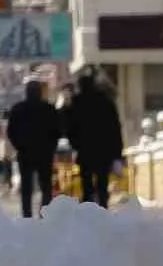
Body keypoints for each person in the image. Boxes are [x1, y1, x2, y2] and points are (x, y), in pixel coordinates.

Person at [65, 71, 125, 208]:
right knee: (102, 182)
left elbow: (69, 127)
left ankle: (88, 208)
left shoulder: (76, 103)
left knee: (86, 183)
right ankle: (102, 207)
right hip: (104, 150)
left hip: (85, 150)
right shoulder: (106, 101)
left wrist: (75, 144)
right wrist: (117, 151)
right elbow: (115, 128)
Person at [7, 80, 63, 218]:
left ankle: (27, 216)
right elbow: (58, 130)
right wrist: (51, 146)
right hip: (45, 153)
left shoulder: (18, 109)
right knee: (46, 186)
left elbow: (11, 131)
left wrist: (19, 146)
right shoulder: (49, 109)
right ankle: (44, 215)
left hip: (25, 153)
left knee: (26, 187)